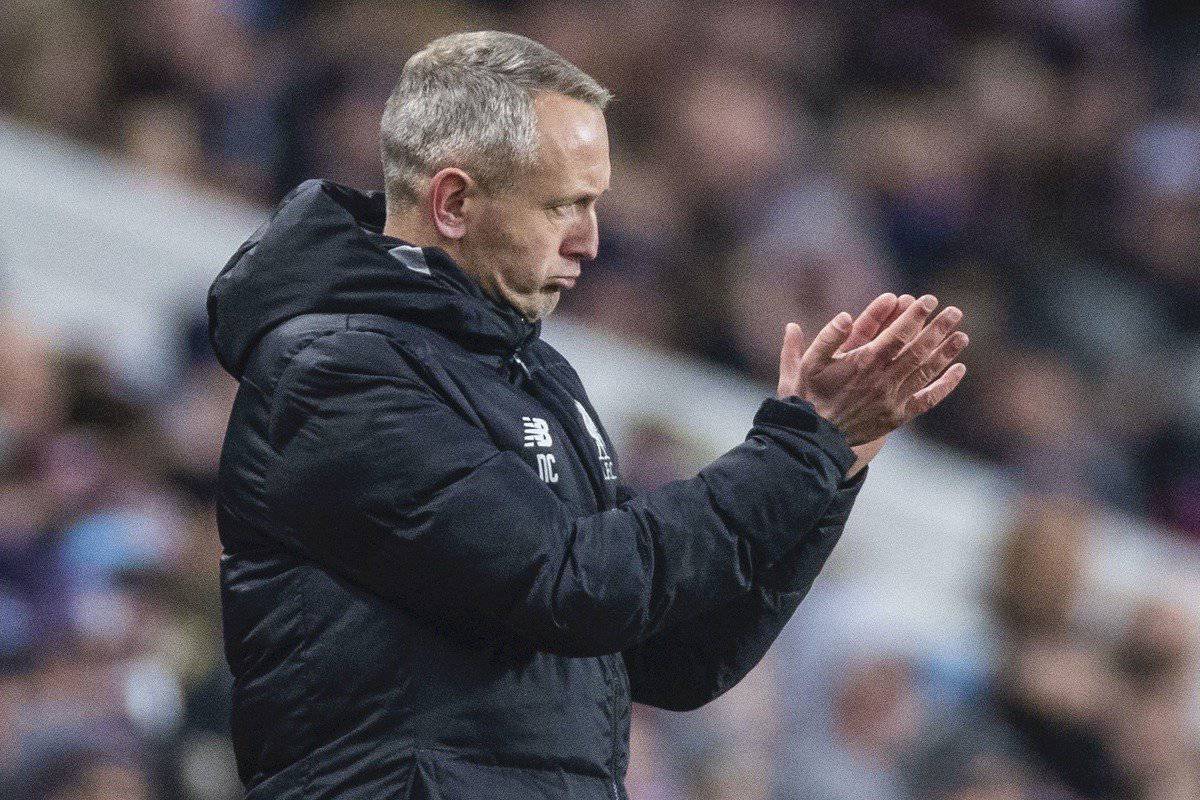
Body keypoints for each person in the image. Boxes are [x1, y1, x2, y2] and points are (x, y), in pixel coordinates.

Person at [207, 31, 968, 800]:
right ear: (454, 201)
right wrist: (800, 448)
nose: (591, 241)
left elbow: (674, 654)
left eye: (595, 204)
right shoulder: (336, 373)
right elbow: (571, 585)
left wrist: (835, 458)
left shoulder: (533, 375)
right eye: (565, 205)